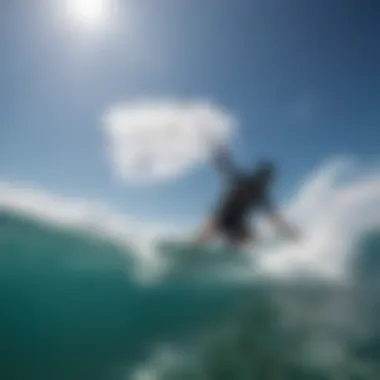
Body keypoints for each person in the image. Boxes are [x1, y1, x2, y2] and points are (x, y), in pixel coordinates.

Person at [197, 146, 299, 247]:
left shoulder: (260, 195)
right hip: (221, 216)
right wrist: (219, 155)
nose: (262, 183)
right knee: (210, 231)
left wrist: (290, 233)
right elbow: (226, 168)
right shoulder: (245, 182)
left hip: (236, 223)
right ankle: (201, 242)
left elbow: (275, 219)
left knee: (253, 240)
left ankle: (228, 248)